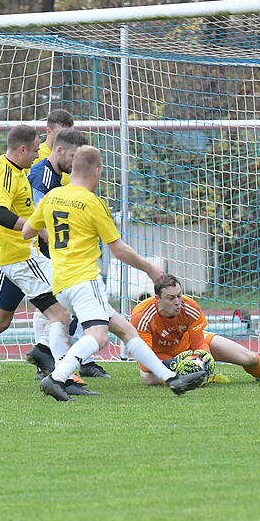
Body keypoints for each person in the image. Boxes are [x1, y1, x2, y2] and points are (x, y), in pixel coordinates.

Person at [22, 145, 207, 400]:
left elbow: (27, 232)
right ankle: (56, 378)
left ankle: (172, 379)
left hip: (60, 282)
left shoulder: (52, 197)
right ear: (97, 172)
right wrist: (151, 269)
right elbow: (119, 250)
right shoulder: (92, 203)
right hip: (84, 281)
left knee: (124, 329)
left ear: (73, 169)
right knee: (98, 338)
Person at [0, 125, 96, 395]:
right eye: (36, 149)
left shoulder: (16, 170)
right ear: (22, 149)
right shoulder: (5, 173)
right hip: (21, 259)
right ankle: (61, 374)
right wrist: (32, 229)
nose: (38, 154)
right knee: (62, 311)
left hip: (15, 258)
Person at [24, 127, 110, 379]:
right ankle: (51, 362)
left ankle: (58, 358)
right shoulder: (41, 175)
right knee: (57, 309)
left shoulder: (60, 176)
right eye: (73, 155)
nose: (75, 162)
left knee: (60, 308)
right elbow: (35, 222)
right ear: (60, 149)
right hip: (42, 253)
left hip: (57, 252)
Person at [131, 274, 260, 384]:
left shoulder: (190, 307)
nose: (178, 302)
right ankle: (195, 376)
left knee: (250, 358)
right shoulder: (142, 316)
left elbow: (200, 344)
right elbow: (146, 364)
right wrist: (176, 364)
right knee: (148, 378)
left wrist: (203, 359)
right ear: (157, 299)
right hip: (160, 357)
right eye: (171, 298)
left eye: (179, 295)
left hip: (186, 345)